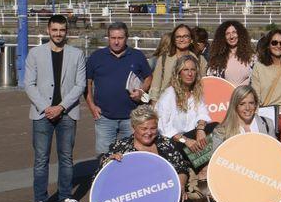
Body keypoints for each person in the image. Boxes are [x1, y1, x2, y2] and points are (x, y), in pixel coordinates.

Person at [209, 85, 281, 202]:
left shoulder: (266, 124)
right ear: (235, 105)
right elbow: (217, 161)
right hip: (236, 181)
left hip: (261, 176)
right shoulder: (223, 130)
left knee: (274, 191)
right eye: (242, 103)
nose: (247, 108)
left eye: (251, 103)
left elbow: (274, 152)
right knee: (247, 196)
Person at [24, 14, 86, 202]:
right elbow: (29, 84)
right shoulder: (35, 54)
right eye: (54, 30)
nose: (58, 34)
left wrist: (60, 106)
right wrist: (46, 107)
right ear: (48, 30)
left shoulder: (77, 54)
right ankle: (40, 201)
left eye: (62, 30)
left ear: (67, 31)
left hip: (67, 113)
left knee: (66, 158)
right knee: (41, 159)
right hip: (42, 115)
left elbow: (80, 85)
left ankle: (66, 198)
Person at [87, 22, 152, 155]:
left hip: (131, 117)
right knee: (104, 157)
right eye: (113, 38)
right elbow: (87, 83)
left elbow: (149, 77)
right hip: (104, 117)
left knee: (131, 156)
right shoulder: (96, 57)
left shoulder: (137, 56)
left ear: (126, 38)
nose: (116, 42)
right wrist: (91, 105)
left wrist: (141, 91)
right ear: (108, 38)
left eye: (120, 38)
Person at [153, 54, 212, 161]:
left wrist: (200, 129)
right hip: (174, 140)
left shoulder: (195, 93)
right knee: (194, 146)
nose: (190, 73)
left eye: (193, 70)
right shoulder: (169, 94)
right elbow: (163, 127)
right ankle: (201, 166)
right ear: (179, 73)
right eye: (185, 70)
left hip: (191, 136)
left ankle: (202, 162)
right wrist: (185, 140)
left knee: (215, 127)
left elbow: (203, 113)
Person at [148, 24, 207, 99]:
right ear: (173, 40)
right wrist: (154, 105)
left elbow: (202, 85)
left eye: (185, 36)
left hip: (191, 104)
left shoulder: (200, 60)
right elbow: (155, 86)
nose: (181, 40)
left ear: (191, 39)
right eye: (178, 37)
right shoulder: (163, 59)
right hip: (166, 104)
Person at [206, 21, 255, 86]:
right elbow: (211, 80)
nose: (231, 36)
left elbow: (256, 78)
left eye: (234, 32)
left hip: (245, 94)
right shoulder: (216, 59)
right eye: (227, 33)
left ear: (240, 34)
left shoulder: (251, 57)